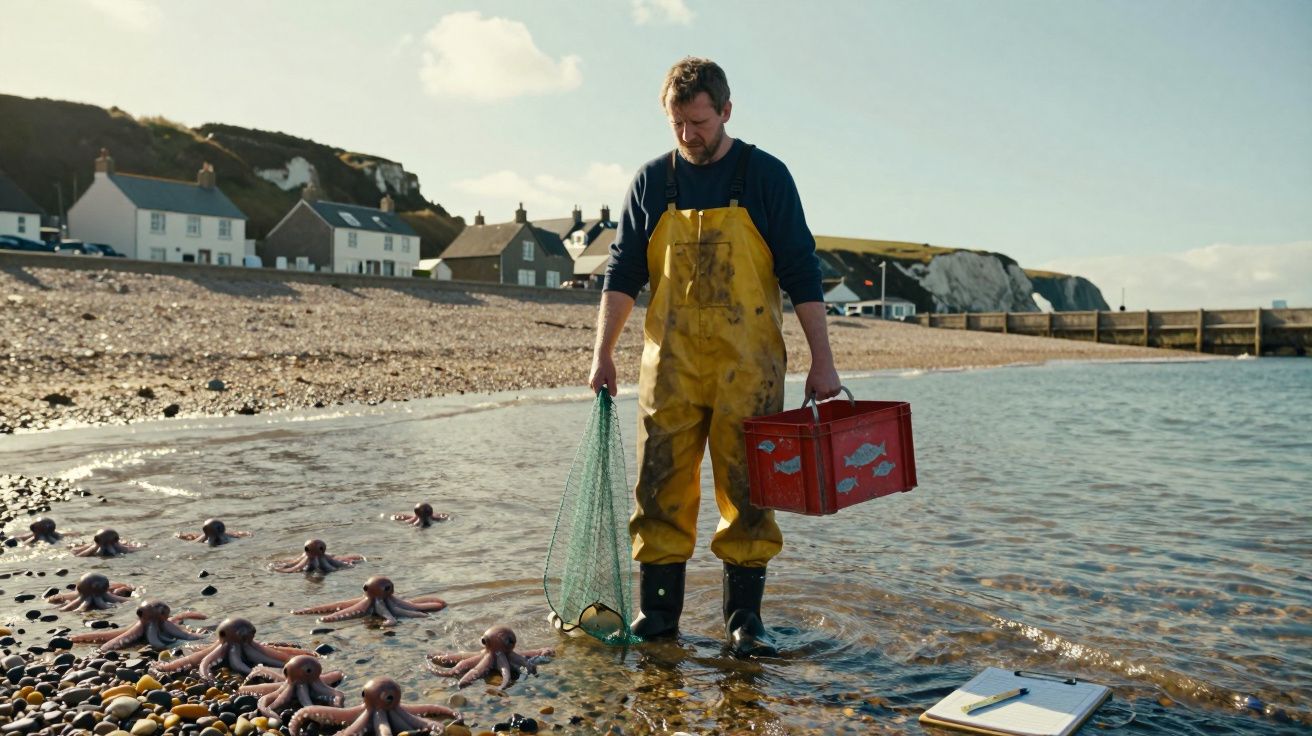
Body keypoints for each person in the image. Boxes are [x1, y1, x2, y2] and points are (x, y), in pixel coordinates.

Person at [588, 57, 841, 657]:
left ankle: (744, 622)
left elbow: (801, 272)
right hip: (669, 367)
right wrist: (602, 352)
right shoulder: (652, 181)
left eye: (698, 122)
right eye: (677, 124)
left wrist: (823, 362)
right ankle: (658, 618)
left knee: (750, 490)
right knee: (659, 489)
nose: (687, 135)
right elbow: (623, 271)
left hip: (748, 366)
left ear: (726, 111)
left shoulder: (765, 176)